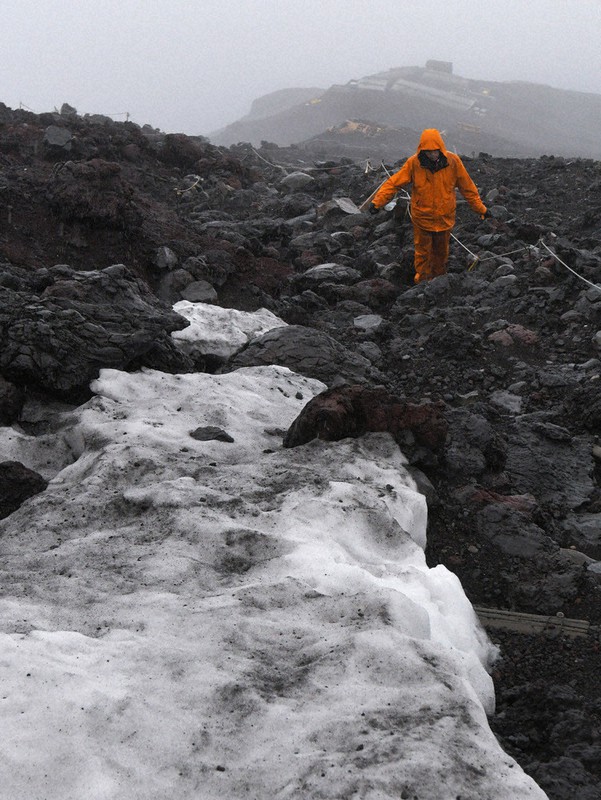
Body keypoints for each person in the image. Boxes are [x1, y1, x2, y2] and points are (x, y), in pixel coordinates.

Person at [369, 128, 490, 283]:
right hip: (422, 218)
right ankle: (422, 282)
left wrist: (482, 210)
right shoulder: (414, 163)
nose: (432, 154)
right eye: (428, 151)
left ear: (441, 148)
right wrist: (377, 202)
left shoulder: (453, 162)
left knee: (441, 254)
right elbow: (394, 183)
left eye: (435, 151)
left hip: (444, 219)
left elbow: (468, 188)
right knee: (423, 253)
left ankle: (438, 282)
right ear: (422, 150)